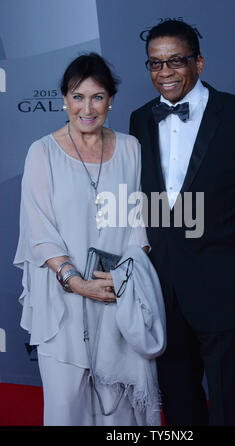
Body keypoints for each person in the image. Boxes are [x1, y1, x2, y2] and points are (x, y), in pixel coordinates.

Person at [130, 19, 235, 426]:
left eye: (175, 62)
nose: (164, 74)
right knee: (177, 396)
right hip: (162, 286)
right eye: (155, 64)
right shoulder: (140, 119)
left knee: (231, 396)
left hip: (224, 283)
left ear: (199, 62)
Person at [13, 52, 166, 426]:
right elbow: (39, 229)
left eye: (97, 96)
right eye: (77, 96)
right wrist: (77, 282)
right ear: (64, 99)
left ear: (111, 99)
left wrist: (122, 277)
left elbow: (139, 222)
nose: (87, 107)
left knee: (121, 412)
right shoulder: (42, 152)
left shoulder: (131, 148)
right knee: (68, 406)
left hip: (118, 297)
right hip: (62, 300)